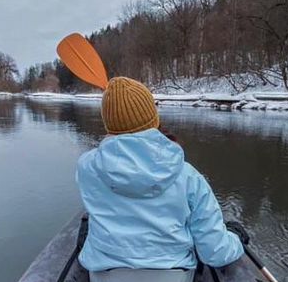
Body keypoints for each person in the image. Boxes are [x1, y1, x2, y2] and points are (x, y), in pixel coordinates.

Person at [76, 76, 244, 271]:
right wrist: (236, 238)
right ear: (154, 119)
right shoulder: (189, 177)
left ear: (108, 124)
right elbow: (216, 252)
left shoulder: (86, 167)